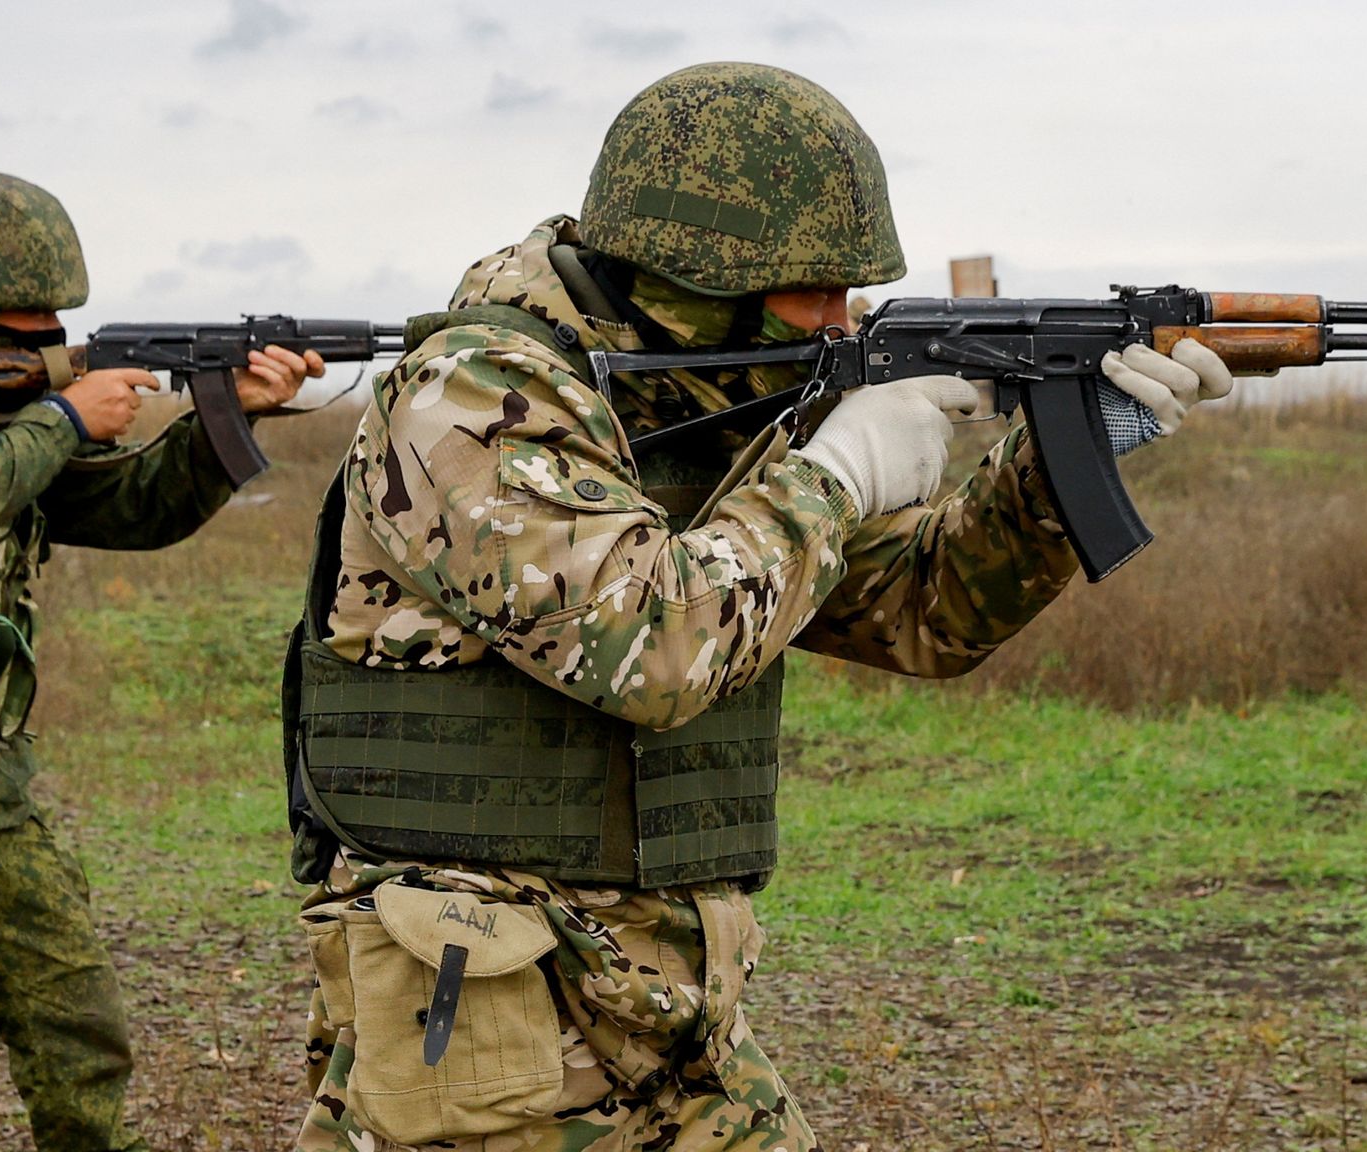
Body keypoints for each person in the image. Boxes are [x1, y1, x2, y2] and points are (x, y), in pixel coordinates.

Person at [284, 63, 1232, 1151]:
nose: (839, 321)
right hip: (482, 995)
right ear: (688, 276)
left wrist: (1060, 463)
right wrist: (830, 477)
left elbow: (917, 612)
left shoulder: (710, 402)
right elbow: (646, 649)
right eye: (811, 289)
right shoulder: (476, 396)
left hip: (666, 997)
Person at [0, 171, 324, 1151]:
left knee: (77, 1028)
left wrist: (232, 415)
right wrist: (70, 414)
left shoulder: (4, 395)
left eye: (52, 316)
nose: (43, 332)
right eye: (24, 312)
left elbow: (123, 509)